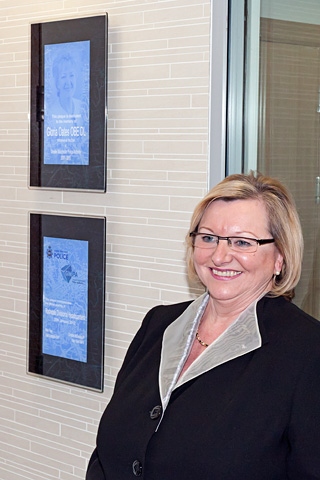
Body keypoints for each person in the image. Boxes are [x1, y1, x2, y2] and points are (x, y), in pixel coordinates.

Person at [86, 172, 320, 479]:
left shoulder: (307, 352)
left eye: (242, 242)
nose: (220, 256)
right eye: (208, 237)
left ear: (280, 257)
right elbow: (105, 457)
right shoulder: (159, 324)